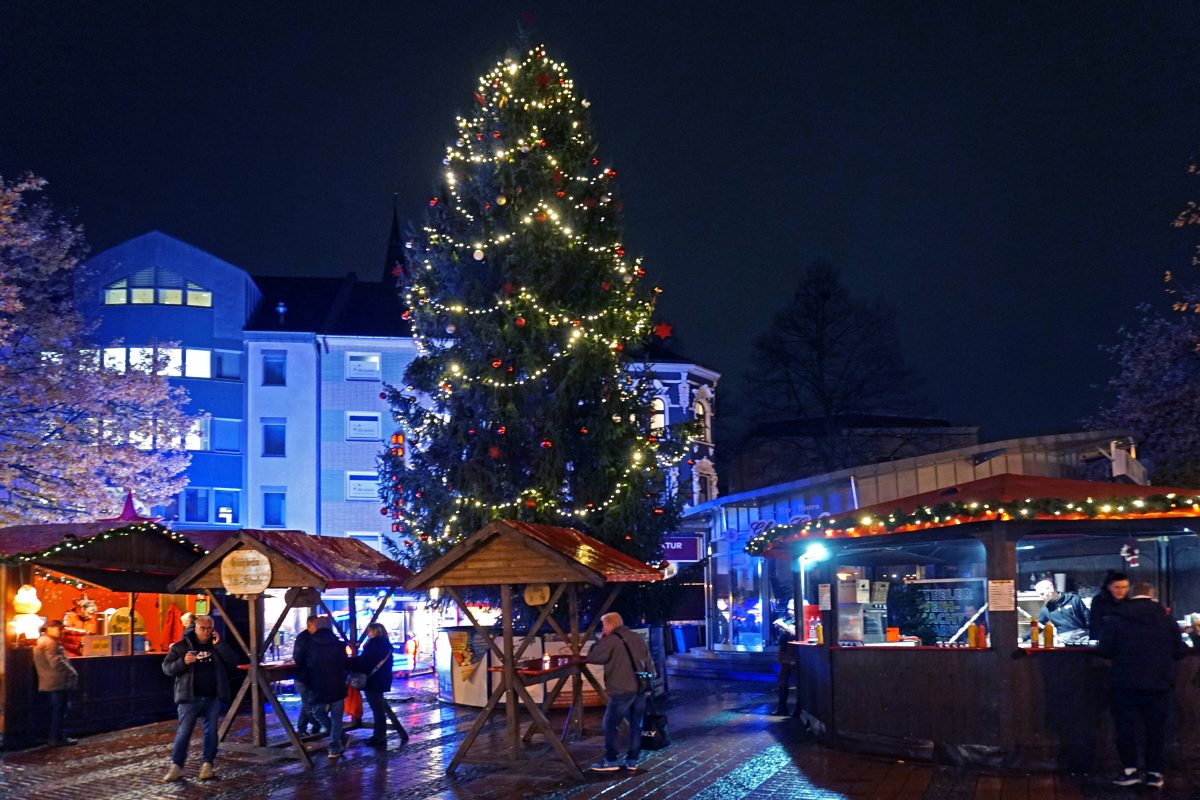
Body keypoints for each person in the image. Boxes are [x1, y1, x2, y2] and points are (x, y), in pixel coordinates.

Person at [1097, 582, 1187, 790]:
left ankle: (1130, 772)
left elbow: (1104, 649)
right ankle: (1154, 773)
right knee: (1156, 730)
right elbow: (1179, 651)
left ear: (1131, 594)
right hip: (1159, 683)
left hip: (1125, 682)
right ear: (1152, 595)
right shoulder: (1166, 619)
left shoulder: (1117, 617)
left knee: (1125, 728)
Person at [161, 614, 237, 782]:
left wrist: (220, 645)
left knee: (211, 733)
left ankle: (207, 765)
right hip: (189, 697)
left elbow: (233, 661)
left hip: (212, 696)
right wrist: (183, 662)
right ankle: (176, 766)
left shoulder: (216, 645)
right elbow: (167, 668)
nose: (206, 632)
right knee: (184, 732)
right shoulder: (182, 646)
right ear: (195, 628)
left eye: (209, 629)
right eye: (203, 628)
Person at [580, 612, 653, 771]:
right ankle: (632, 760)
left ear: (611, 625)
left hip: (621, 688)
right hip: (640, 688)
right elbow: (649, 661)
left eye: (604, 625)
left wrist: (598, 642)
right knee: (636, 725)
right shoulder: (637, 637)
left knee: (610, 724)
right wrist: (648, 684)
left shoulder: (611, 640)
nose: (603, 628)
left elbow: (594, 657)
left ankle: (611, 760)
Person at [294, 616, 349, 759]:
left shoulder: (308, 643)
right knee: (337, 717)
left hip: (317, 684)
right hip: (337, 684)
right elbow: (345, 664)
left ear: (316, 626)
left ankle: (336, 740)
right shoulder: (338, 644)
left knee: (318, 712)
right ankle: (334, 746)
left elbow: (299, 660)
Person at [33, 620, 79, 746]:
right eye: (60, 630)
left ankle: (54, 737)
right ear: (51, 628)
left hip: (48, 680)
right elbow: (56, 662)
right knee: (60, 710)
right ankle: (57, 738)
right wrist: (72, 672)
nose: (62, 633)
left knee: (56, 710)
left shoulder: (41, 641)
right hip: (57, 680)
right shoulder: (50, 643)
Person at [355, 622, 394, 747]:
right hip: (382, 679)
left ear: (375, 632)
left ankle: (379, 736)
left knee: (377, 709)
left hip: (373, 680)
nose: (368, 633)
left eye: (370, 631)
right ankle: (379, 735)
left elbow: (365, 662)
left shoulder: (373, 644)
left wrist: (354, 665)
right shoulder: (386, 644)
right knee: (378, 708)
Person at [1033, 578, 1090, 645]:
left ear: (1051, 589)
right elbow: (1038, 628)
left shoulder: (1073, 599)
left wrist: (1092, 633)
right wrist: (1022, 639)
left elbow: (1088, 617)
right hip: (1062, 641)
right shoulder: (1045, 610)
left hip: (1083, 638)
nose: (1041, 597)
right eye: (1039, 595)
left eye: (1042, 594)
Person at [292, 615, 322, 736]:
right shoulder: (304, 639)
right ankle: (317, 723)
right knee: (308, 703)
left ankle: (302, 728)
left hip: (308, 675)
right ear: (310, 625)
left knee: (307, 703)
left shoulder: (309, 637)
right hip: (304, 676)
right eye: (317, 624)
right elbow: (299, 658)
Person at [1088, 571, 1130, 642]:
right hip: (1104, 641)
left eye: (1124, 587)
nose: (1121, 591)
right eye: (1117, 587)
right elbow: (1094, 625)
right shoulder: (1099, 601)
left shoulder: (1131, 602)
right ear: (1109, 587)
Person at [772, 599, 797, 716]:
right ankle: (782, 707)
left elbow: (794, 632)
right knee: (782, 681)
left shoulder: (800, 619)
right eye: (788, 609)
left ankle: (798, 708)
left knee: (798, 681)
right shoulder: (787, 619)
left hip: (796, 653)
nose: (789, 611)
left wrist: (784, 625)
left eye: (791, 609)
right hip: (786, 653)